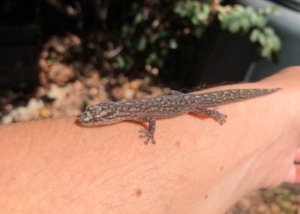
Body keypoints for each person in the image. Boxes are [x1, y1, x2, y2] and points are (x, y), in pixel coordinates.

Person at [1, 66, 300, 214]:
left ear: (110, 115)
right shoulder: (126, 111)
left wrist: (151, 133)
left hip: (183, 103)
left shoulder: (135, 114)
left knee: (198, 107)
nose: (88, 120)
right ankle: (274, 103)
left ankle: (247, 105)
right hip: (174, 100)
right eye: (93, 116)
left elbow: (153, 119)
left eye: (95, 117)